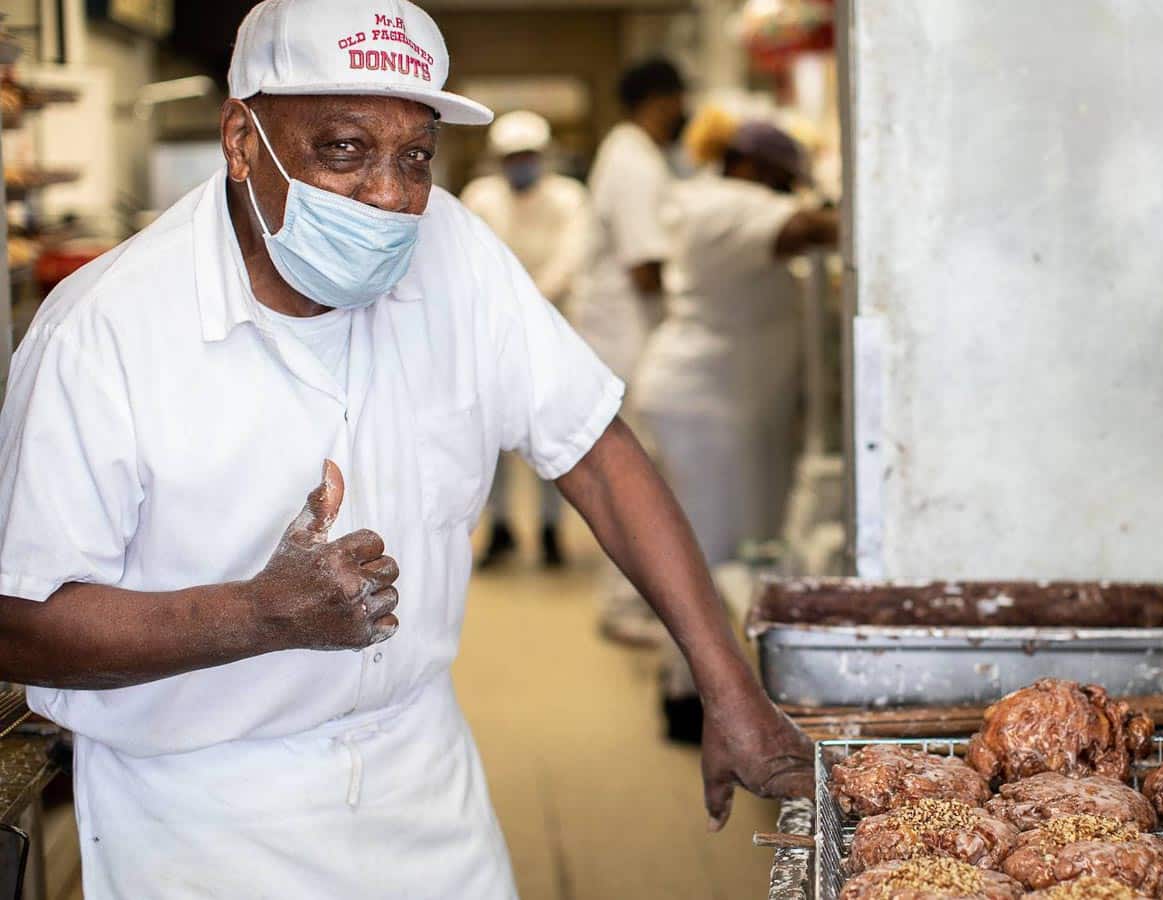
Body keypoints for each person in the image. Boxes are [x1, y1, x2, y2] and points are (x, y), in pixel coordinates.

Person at [0, 3, 809, 897]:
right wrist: (261, 614)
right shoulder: (103, 335)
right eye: (344, 149)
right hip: (202, 817)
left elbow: (597, 455)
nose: (389, 194)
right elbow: (21, 623)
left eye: (415, 156)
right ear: (241, 138)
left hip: (422, 777)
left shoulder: (451, 249)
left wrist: (726, 678)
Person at [635, 121, 839, 579]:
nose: (786, 193)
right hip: (706, 406)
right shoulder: (721, 205)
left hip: (718, 400)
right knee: (710, 544)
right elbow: (807, 226)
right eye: (782, 180)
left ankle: (695, 648)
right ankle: (691, 651)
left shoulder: (714, 200)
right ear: (747, 167)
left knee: (719, 542)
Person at [461, 111, 590, 568]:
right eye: (513, 157)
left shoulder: (568, 198)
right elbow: (469, 259)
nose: (521, 165)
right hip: (489, 335)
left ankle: (551, 529)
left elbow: (570, 260)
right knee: (490, 440)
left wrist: (528, 303)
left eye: (528, 156)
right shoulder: (481, 198)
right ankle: (499, 528)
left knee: (547, 437)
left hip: (552, 331)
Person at [570, 57, 685, 379]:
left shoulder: (634, 151)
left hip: (622, 330)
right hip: (626, 336)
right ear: (660, 102)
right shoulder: (634, 164)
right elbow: (644, 268)